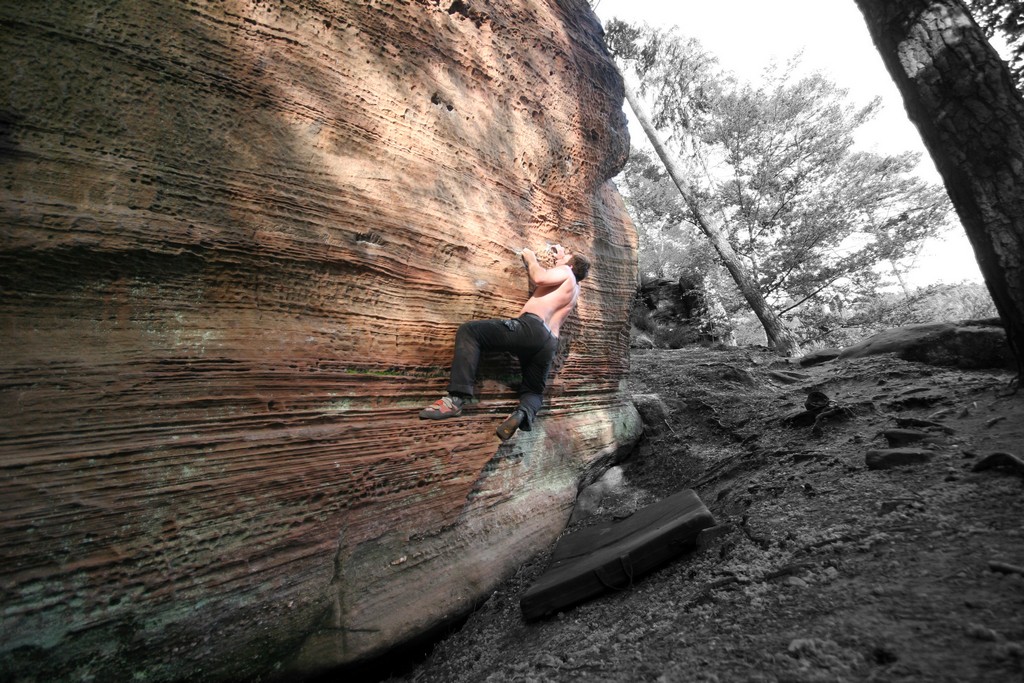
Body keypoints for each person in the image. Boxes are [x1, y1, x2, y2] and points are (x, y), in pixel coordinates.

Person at [420, 244, 591, 441]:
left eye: (565, 259)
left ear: (570, 266)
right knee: (533, 391)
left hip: (531, 329)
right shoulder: (575, 288)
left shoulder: (566, 272)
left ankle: (455, 399)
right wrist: (563, 255)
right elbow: (563, 272)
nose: (560, 261)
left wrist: (530, 258)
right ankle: (523, 413)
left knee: (470, 332)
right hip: (549, 343)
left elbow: (540, 278)